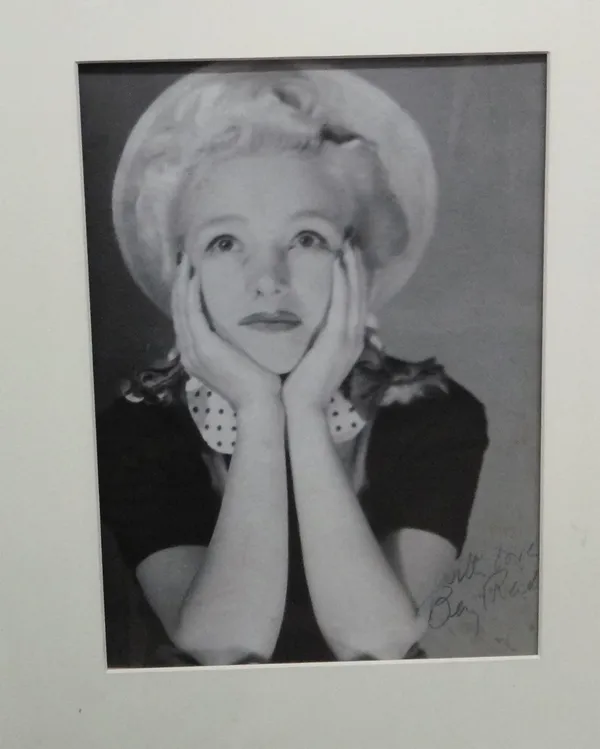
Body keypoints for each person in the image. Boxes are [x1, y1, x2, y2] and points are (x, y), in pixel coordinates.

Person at [96, 64, 489, 667]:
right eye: (225, 243)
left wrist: (303, 409)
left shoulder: (436, 413)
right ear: (183, 274)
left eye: (305, 239)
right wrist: (259, 411)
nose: (268, 283)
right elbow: (221, 646)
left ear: (357, 264)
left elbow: (377, 643)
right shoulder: (137, 427)